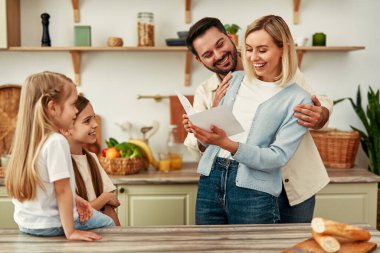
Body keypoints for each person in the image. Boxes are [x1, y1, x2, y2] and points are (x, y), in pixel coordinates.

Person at [184, 15, 329, 225]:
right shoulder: (223, 85)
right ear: (199, 60)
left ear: (230, 38)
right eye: (207, 54)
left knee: (286, 244)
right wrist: (204, 123)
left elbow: (317, 102)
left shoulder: (288, 78)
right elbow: (203, 145)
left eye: (220, 44)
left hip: (292, 181)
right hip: (216, 177)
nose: (218, 55)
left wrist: (321, 114)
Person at [5, 71, 114, 241]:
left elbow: (49, 187)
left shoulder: (27, 143)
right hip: (52, 225)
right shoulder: (56, 141)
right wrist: (71, 232)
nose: (75, 110)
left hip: (27, 224)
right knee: (108, 223)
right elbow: (62, 191)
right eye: (72, 104)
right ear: (52, 107)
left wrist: (76, 199)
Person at [62, 95, 121, 226]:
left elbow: (113, 202)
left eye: (94, 118)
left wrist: (105, 200)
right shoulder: (62, 164)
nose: (95, 124)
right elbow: (76, 214)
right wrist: (104, 198)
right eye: (87, 121)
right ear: (67, 129)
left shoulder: (92, 158)